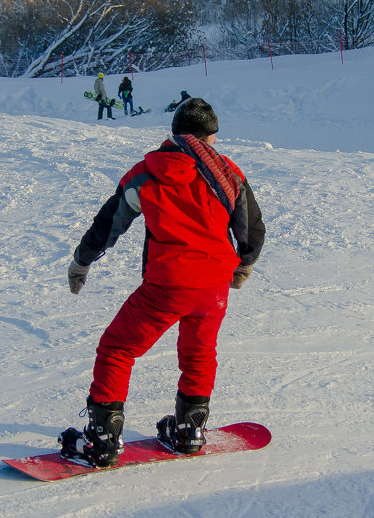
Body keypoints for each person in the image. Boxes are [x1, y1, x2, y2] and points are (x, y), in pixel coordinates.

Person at [60, 98, 265, 467]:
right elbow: (251, 227)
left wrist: (81, 262)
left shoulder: (146, 173)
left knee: (117, 350)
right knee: (199, 354)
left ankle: (103, 439)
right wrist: (243, 264)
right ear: (212, 137)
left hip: (167, 285)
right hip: (214, 286)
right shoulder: (229, 172)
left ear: (173, 135)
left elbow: (108, 224)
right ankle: (189, 431)